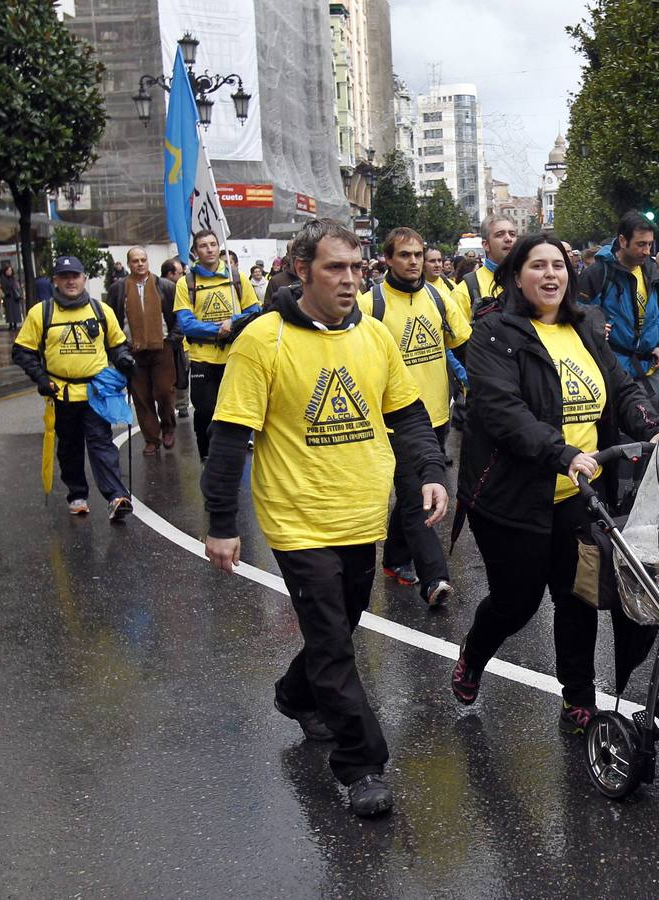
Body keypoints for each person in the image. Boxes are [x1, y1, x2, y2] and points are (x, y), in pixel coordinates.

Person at [202, 218, 448, 818]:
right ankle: (362, 764)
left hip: (362, 515)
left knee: (342, 625)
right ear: (300, 267)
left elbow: (410, 415)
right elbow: (230, 437)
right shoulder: (263, 341)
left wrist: (434, 471)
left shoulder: (374, 337)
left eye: (358, 268)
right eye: (336, 267)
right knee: (334, 643)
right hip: (296, 519)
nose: (350, 280)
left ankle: (294, 693)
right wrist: (221, 522)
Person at [450, 233, 659, 733]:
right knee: (516, 603)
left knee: (577, 597)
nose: (551, 275)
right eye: (537, 266)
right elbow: (504, 411)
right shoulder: (494, 333)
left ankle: (578, 699)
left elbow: (620, 387)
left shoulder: (586, 324)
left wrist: (653, 426)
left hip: (579, 498)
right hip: (512, 495)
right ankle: (474, 654)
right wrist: (562, 453)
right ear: (515, 276)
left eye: (559, 266)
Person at [359, 227, 470, 604]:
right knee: (416, 495)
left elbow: (461, 343)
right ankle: (433, 578)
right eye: (404, 255)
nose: (413, 262)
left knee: (411, 492)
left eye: (418, 255)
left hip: (438, 415)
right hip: (395, 418)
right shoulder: (369, 304)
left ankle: (392, 559)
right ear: (387, 259)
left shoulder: (440, 297)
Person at [11, 255, 136, 521]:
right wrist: (41, 378)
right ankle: (77, 494)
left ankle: (116, 496)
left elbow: (117, 344)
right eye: (64, 276)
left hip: (96, 393)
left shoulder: (101, 310)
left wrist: (123, 358)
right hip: (61, 394)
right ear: (55, 280)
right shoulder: (41, 313)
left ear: (84, 279)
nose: (70, 281)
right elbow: (22, 351)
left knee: (101, 444)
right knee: (69, 447)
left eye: (75, 276)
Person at [173, 229, 262, 460]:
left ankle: (233, 451)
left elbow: (254, 312)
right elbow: (186, 323)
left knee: (235, 408)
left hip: (234, 355)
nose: (210, 249)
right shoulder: (186, 283)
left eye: (213, 244)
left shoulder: (236, 278)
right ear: (195, 251)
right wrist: (217, 330)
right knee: (205, 409)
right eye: (204, 245)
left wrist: (232, 322)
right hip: (202, 357)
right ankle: (206, 454)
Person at [576, 210, 659, 401]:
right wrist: (593, 327)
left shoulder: (651, 272)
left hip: (651, 372)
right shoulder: (597, 274)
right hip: (613, 374)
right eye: (640, 244)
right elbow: (576, 315)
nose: (647, 251)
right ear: (622, 241)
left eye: (650, 244)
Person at [110, 247, 180, 456]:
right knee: (141, 397)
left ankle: (167, 426)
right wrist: (118, 350)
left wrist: (175, 339)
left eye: (143, 260)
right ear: (129, 263)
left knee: (164, 392)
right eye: (135, 261)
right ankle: (151, 439)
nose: (140, 264)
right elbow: (112, 320)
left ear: (148, 262)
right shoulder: (119, 288)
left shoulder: (165, 286)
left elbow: (178, 316)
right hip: (134, 351)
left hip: (162, 348)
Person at [451, 216, 516, 319]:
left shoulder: (529, 282)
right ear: (486, 245)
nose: (508, 239)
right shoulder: (464, 291)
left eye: (512, 234)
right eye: (500, 234)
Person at [160, 258, 191, 419]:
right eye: (180, 273)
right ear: (170, 274)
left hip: (180, 342)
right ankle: (167, 408)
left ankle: (182, 405)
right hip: (163, 344)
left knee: (182, 374)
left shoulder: (183, 287)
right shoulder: (159, 289)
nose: (183, 276)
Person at [264, 241, 302, 308]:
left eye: (302, 251)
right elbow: (268, 309)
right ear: (288, 255)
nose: (298, 256)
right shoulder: (276, 281)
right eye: (294, 252)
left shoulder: (314, 279)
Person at [0, 262, 23, 330]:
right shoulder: (4, 279)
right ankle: (10, 324)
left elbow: (17, 286)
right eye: (8, 270)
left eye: (10, 270)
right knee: (9, 311)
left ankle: (15, 324)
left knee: (15, 311)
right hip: (8, 297)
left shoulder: (13, 278)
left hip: (15, 297)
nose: (9, 272)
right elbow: (3, 287)